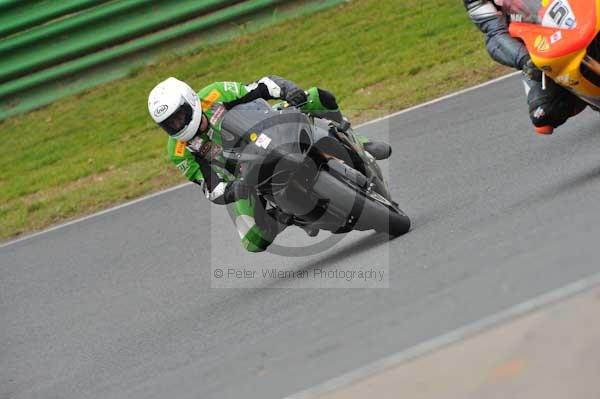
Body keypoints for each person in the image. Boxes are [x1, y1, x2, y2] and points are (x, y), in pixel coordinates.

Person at [148, 76, 391, 252]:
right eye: (169, 124)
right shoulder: (179, 151)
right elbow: (209, 187)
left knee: (316, 96)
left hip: (270, 131)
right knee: (252, 241)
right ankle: (288, 215)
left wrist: (289, 91)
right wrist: (234, 190)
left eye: (179, 116)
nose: (177, 125)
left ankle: (357, 139)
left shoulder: (215, 94)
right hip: (246, 176)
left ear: (190, 100)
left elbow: (263, 86)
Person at [464, 0, 587, 134]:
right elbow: (495, 33)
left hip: (577, 11)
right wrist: (526, 61)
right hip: (541, 41)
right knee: (544, 114)